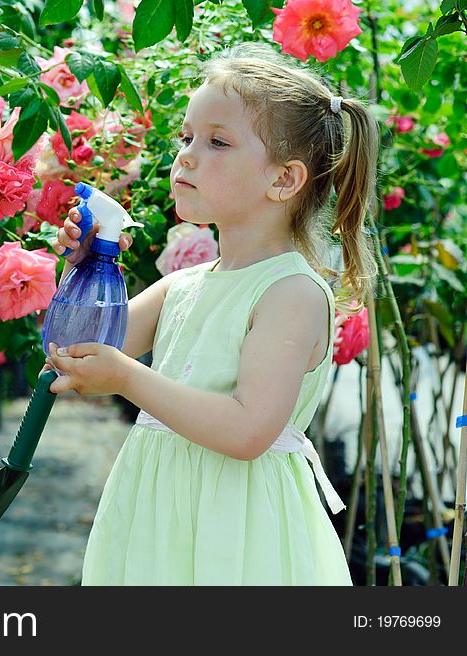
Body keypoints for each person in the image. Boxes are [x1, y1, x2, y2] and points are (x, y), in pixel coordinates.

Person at [45, 42, 379, 585]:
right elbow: (74, 350)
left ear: (283, 180)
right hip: (161, 520)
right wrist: (89, 268)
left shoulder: (290, 293)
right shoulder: (183, 285)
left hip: (238, 531)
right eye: (187, 138)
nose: (187, 155)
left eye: (218, 142)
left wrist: (128, 378)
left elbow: (249, 430)